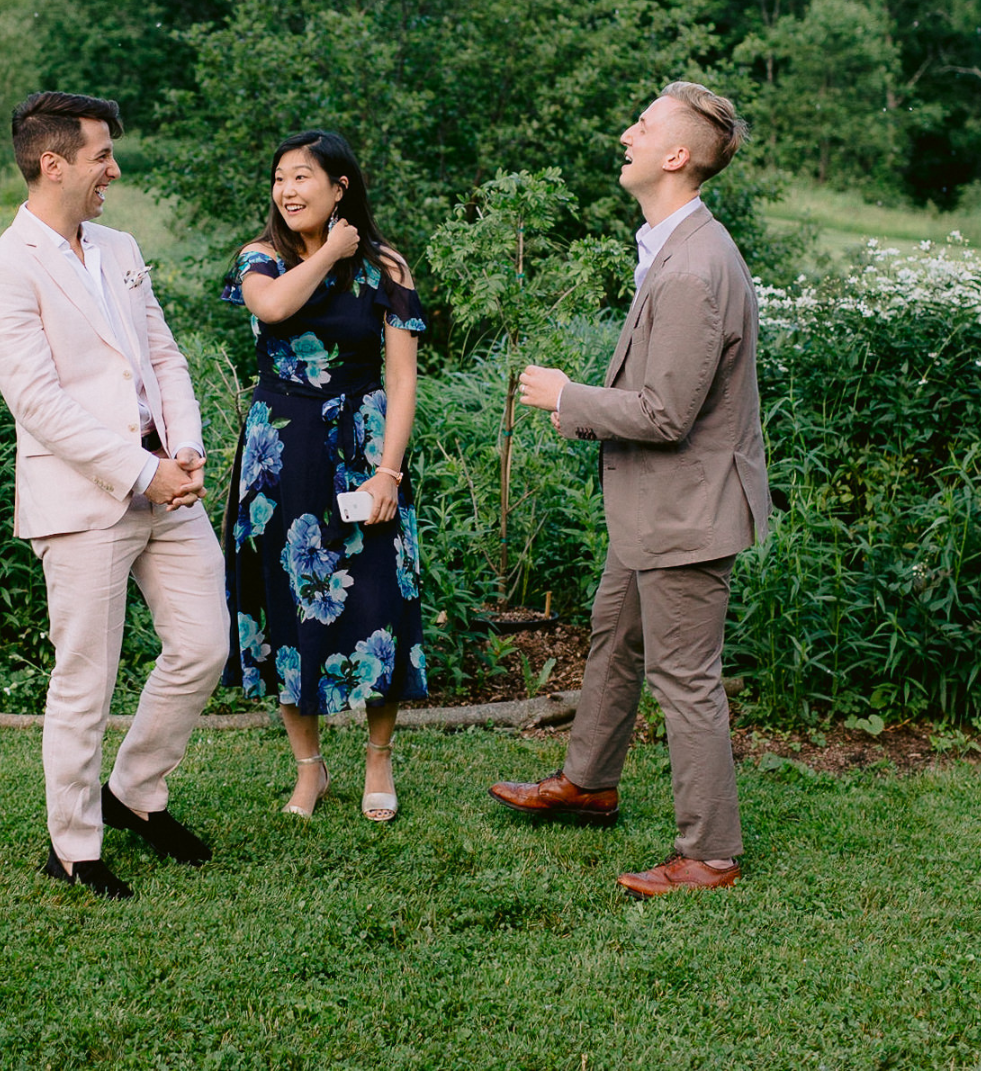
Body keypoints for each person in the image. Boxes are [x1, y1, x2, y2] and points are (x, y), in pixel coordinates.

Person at [488, 81, 770, 896]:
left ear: (675, 156)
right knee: (616, 638)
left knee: (685, 680)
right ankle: (589, 784)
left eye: (641, 126)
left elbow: (667, 412)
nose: (626, 133)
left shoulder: (694, 269)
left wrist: (567, 399)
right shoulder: (671, 246)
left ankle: (710, 854)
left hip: (687, 510)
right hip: (655, 508)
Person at [0, 90, 228, 902]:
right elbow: (39, 405)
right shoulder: (4, 270)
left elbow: (166, 356)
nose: (113, 169)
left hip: (167, 488)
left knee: (205, 644)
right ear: (55, 165)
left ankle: (134, 794)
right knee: (86, 678)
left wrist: (181, 448)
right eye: (101, 156)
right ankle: (74, 845)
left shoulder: (118, 246)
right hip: (84, 502)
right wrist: (138, 468)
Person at [221, 130, 428, 823]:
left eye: (303, 176)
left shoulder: (386, 267)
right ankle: (309, 769)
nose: (288, 190)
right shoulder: (261, 258)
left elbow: (402, 380)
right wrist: (329, 255)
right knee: (285, 605)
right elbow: (273, 309)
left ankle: (377, 757)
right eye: (280, 177)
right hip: (280, 451)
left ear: (340, 187)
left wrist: (389, 471)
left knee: (379, 597)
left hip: (363, 444)